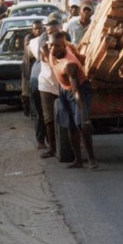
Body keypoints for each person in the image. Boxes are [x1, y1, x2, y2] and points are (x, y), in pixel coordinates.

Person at [47, 31, 97, 169]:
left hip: (79, 89)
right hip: (63, 89)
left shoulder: (69, 65)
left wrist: (84, 114)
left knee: (81, 124)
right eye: (51, 45)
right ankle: (78, 160)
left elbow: (76, 91)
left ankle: (92, 159)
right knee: (70, 126)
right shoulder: (51, 52)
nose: (53, 49)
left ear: (63, 47)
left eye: (56, 46)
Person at [30, 14, 65, 158]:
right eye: (49, 32)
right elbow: (47, 57)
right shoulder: (45, 43)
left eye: (55, 32)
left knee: (64, 117)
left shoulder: (65, 39)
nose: (52, 35)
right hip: (46, 84)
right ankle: (51, 148)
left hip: (62, 83)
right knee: (48, 118)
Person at [21, 20, 43, 119]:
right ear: (32, 30)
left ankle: (35, 112)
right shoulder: (28, 38)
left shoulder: (44, 37)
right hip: (28, 69)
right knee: (26, 93)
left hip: (39, 70)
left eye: (40, 28)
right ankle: (27, 110)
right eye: (35, 29)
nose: (38, 30)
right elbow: (30, 50)